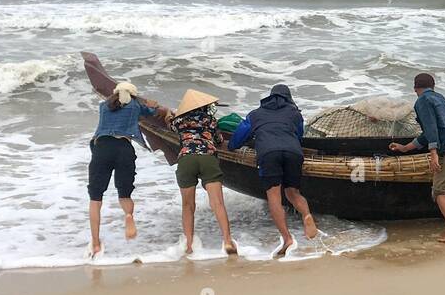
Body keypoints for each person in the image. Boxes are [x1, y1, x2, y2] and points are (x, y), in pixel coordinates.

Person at [230, 83, 317, 256]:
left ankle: (287, 239)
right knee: (293, 193)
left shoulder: (255, 114)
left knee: (274, 197)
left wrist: (233, 145)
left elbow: (239, 137)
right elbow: (299, 135)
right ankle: (307, 215)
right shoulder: (294, 114)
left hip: (268, 153)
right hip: (293, 152)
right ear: (289, 98)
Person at [87, 80, 170, 256]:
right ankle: (128, 216)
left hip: (102, 148)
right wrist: (153, 105)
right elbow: (158, 111)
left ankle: (95, 242)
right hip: (124, 149)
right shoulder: (136, 106)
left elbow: (114, 105)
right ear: (133, 94)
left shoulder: (103, 106)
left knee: (95, 198)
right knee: (124, 193)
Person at [388, 72, 445, 242]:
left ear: (415, 89)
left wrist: (433, 153)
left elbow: (431, 128)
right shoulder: (441, 99)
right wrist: (405, 148)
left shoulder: (422, 101)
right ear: (433, 87)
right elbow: (432, 132)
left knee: (439, 190)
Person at [170, 88, 238, 255]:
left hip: (187, 159)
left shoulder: (178, 122)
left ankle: (189, 246)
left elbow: (170, 125)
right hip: (208, 158)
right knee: (217, 203)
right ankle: (227, 240)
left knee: (188, 205)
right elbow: (219, 140)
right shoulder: (210, 120)